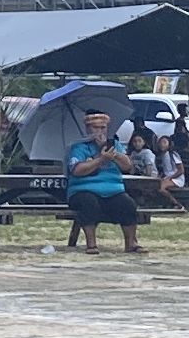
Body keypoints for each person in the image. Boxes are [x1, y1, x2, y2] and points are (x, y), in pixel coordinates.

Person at [59, 107, 154, 252]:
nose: (99, 131)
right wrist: (101, 159)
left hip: (113, 189)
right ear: (87, 128)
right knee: (89, 203)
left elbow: (127, 166)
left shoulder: (114, 145)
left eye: (103, 128)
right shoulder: (77, 147)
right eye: (95, 128)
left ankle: (131, 243)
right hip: (83, 189)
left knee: (128, 205)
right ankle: (91, 244)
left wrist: (113, 154)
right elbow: (77, 170)